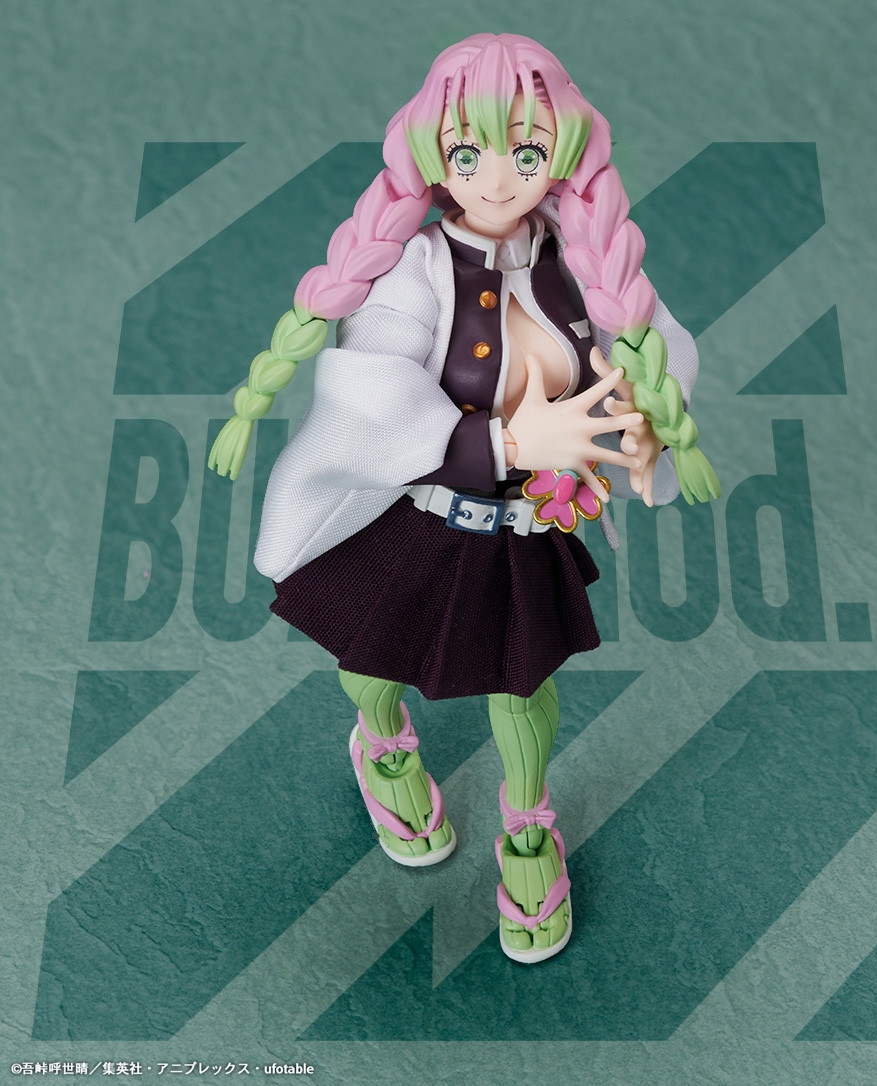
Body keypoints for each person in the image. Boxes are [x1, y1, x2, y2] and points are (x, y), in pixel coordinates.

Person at [209, 32, 718, 964]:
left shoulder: (584, 263)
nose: (497, 179)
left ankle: (527, 828)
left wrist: (643, 425)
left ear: (563, 154)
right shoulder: (413, 270)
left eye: (527, 153)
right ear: (432, 154)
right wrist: (512, 442)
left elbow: (650, 348)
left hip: (524, 526)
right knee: (371, 660)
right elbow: (371, 393)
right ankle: (382, 743)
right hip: (421, 518)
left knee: (522, 685)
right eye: (468, 151)